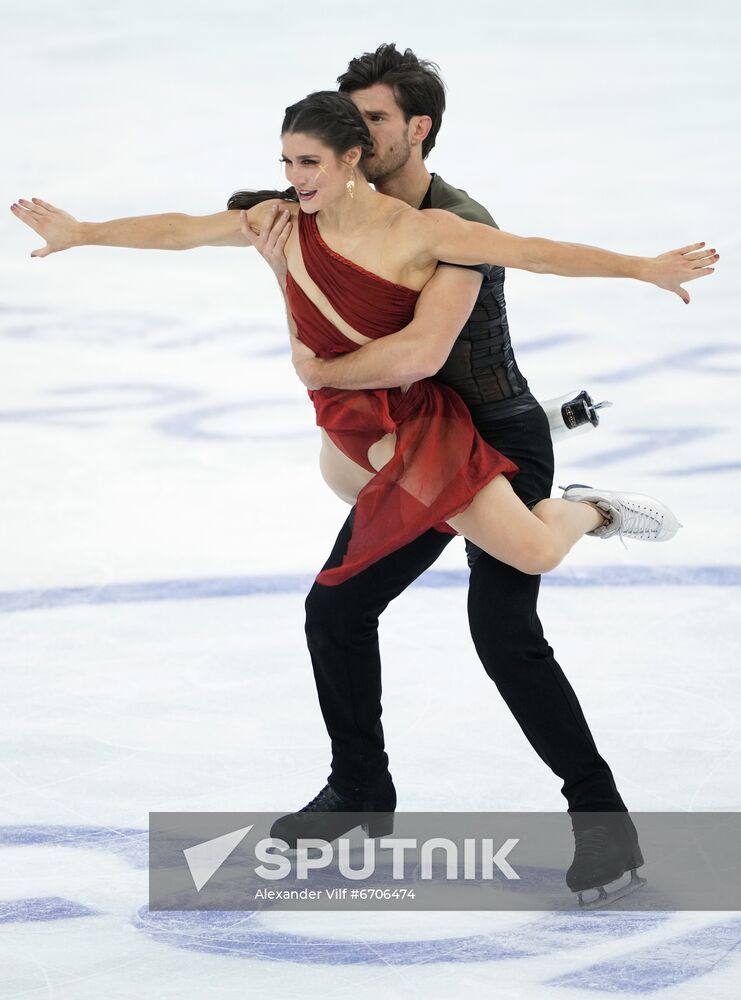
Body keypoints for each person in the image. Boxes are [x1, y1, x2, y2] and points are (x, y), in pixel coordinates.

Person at [9, 64, 717, 902]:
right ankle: (360, 793)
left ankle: (589, 540)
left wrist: (640, 267)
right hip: (405, 434)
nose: (351, 139)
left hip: (493, 429)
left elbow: (437, 336)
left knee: (503, 629)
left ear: (411, 130)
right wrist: (84, 232)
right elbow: (186, 229)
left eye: (371, 121)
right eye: (320, 139)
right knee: (337, 610)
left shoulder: (447, 226)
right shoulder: (298, 212)